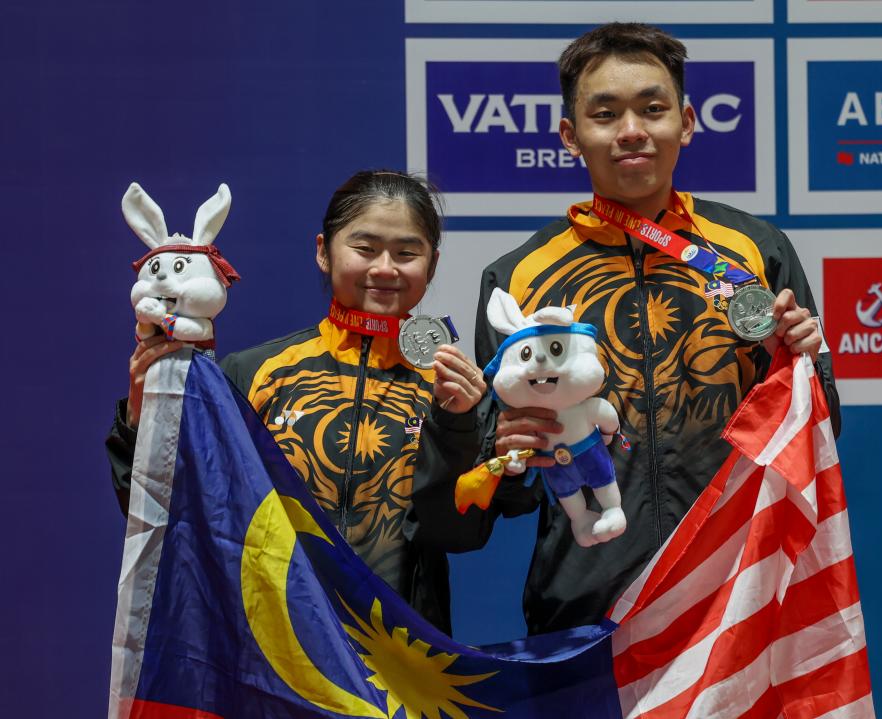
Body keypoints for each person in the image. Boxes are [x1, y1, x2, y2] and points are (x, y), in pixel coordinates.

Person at [409, 23, 840, 636]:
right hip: (590, 607)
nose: (632, 130)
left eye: (653, 109)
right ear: (571, 135)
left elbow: (821, 433)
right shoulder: (518, 277)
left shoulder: (754, 251)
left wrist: (794, 367)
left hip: (736, 592)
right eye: (605, 113)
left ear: (686, 123)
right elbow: (510, 492)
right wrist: (507, 452)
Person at [106, 170, 487, 634]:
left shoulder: (451, 389)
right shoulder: (254, 372)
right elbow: (168, 505)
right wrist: (143, 413)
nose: (385, 268)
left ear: (431, 263)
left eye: (406, 253)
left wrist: (457, 425)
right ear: (323, 252)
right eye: (365, 249)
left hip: (403, 658)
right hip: (275, 654)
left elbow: (460, 534)